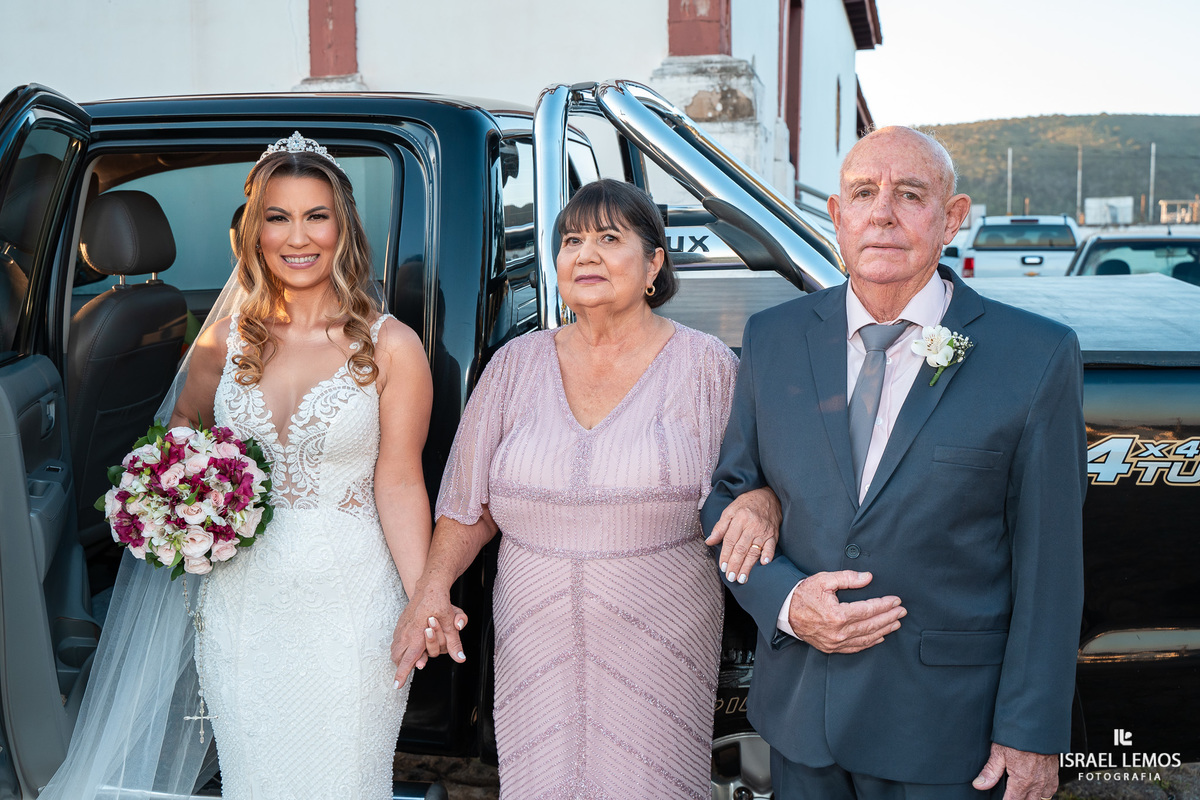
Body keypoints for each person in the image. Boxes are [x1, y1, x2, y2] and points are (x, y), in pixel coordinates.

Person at [41, 133, 434, 799]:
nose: (298, 236)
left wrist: (425, 598)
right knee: (254, 775)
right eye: (278, 217)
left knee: (346, 778)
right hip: (239, 609)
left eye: (317, 216)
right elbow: (177, 442)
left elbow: (397, 481)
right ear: (254, 232)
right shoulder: (223, 340)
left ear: (343, 227)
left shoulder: (391, 345)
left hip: (350, 606)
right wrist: (172, 505)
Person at [702, 127, 1086, 800]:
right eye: (864, 193)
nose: (883, 212)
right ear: (836, 215)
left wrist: (1030, 729)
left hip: (948, 733)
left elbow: (1050, 565)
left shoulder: (1035, 357)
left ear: (952, 217)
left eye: (910, 194)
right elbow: (729, 494)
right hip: (803, 724)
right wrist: (786, 601)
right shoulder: (773, 339)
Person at [389, 178, 780, 799]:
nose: (586, 254)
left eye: (609, 238)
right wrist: (431, 588)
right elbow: (469, 503)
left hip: (661, 635)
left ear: (654, 263)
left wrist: (763, 500)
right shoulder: (515, 365)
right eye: (571, 241)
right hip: (532, 633)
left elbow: (759, 481)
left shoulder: (707, 366)